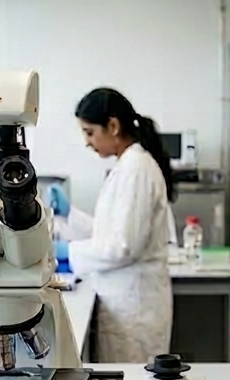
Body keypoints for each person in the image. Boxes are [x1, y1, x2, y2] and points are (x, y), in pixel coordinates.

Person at [47, 88, 177, 364]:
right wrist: (72, 215)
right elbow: (112, 232)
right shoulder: (127, 166)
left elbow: (122, 247)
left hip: (134, 310)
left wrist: (67, 252)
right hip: (124, 302)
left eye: (90, 132)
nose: (86, 141)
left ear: (114, 126)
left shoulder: (137, 170)